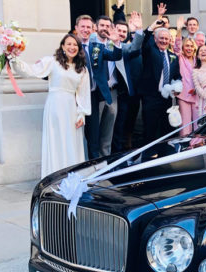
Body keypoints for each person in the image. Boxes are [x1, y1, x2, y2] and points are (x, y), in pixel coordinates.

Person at [12, 34, 90, 178]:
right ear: (62, 46)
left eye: (75, 45)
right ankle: (54, 179)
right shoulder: (52, 62)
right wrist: (13, 58)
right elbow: (29, 70)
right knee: (55, 142)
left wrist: (82, 113)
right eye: (69, 44)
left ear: (79, 48)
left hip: (71, 109)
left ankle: (72, 178)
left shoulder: (82, 69)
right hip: (54, 106)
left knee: (71, 144)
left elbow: (84, 94)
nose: (72, 47)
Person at [75, 14, 122, 160]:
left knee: (93, 136)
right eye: (82, 26)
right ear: (76, 28)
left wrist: (116, 42)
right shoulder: (71, 46)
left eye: (88, 27)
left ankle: (93, 169)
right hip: (73, 99)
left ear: (93, 29)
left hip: (93, 97)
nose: (85, 29)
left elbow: (115, 56)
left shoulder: (97, 47)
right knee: (75, 135)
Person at [139, 18, 181, 144]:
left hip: (167, 99)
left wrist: (178, 86)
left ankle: (164, 156)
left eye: (166, 38)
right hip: (151, 97)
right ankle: (149, 157)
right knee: (150, 130)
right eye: (161, 38)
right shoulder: (150, 51)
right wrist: (151, 28)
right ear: (155, 39)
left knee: (166, 131)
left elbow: (177, 76)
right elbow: (145, 40)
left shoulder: (173, 56)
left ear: (169, 40)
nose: (163, 41)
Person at [111, 12, 144, 153]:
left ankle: (123, 150)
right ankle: (115, 152)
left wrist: (138, 30)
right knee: (117, 126)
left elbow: (135, 47)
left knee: (127, 122)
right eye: (119, 30)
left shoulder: (126, 47)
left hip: (128, 91)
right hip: (113, 93)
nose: (122, 33)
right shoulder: (107, 45)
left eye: (125, 31)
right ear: (113, 30)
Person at [174, 16, 200, 136]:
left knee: (198, 125)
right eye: (187, 46)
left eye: (191, 46)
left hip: (196, 95)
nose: (189, 48)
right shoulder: (180, 57)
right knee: (185, 127)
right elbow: (177, 46)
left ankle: (196, 148)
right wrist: (179, 29)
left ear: (194, 47)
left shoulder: (197, 60)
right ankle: (184, 150)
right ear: (184, 48)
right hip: (183, 96)